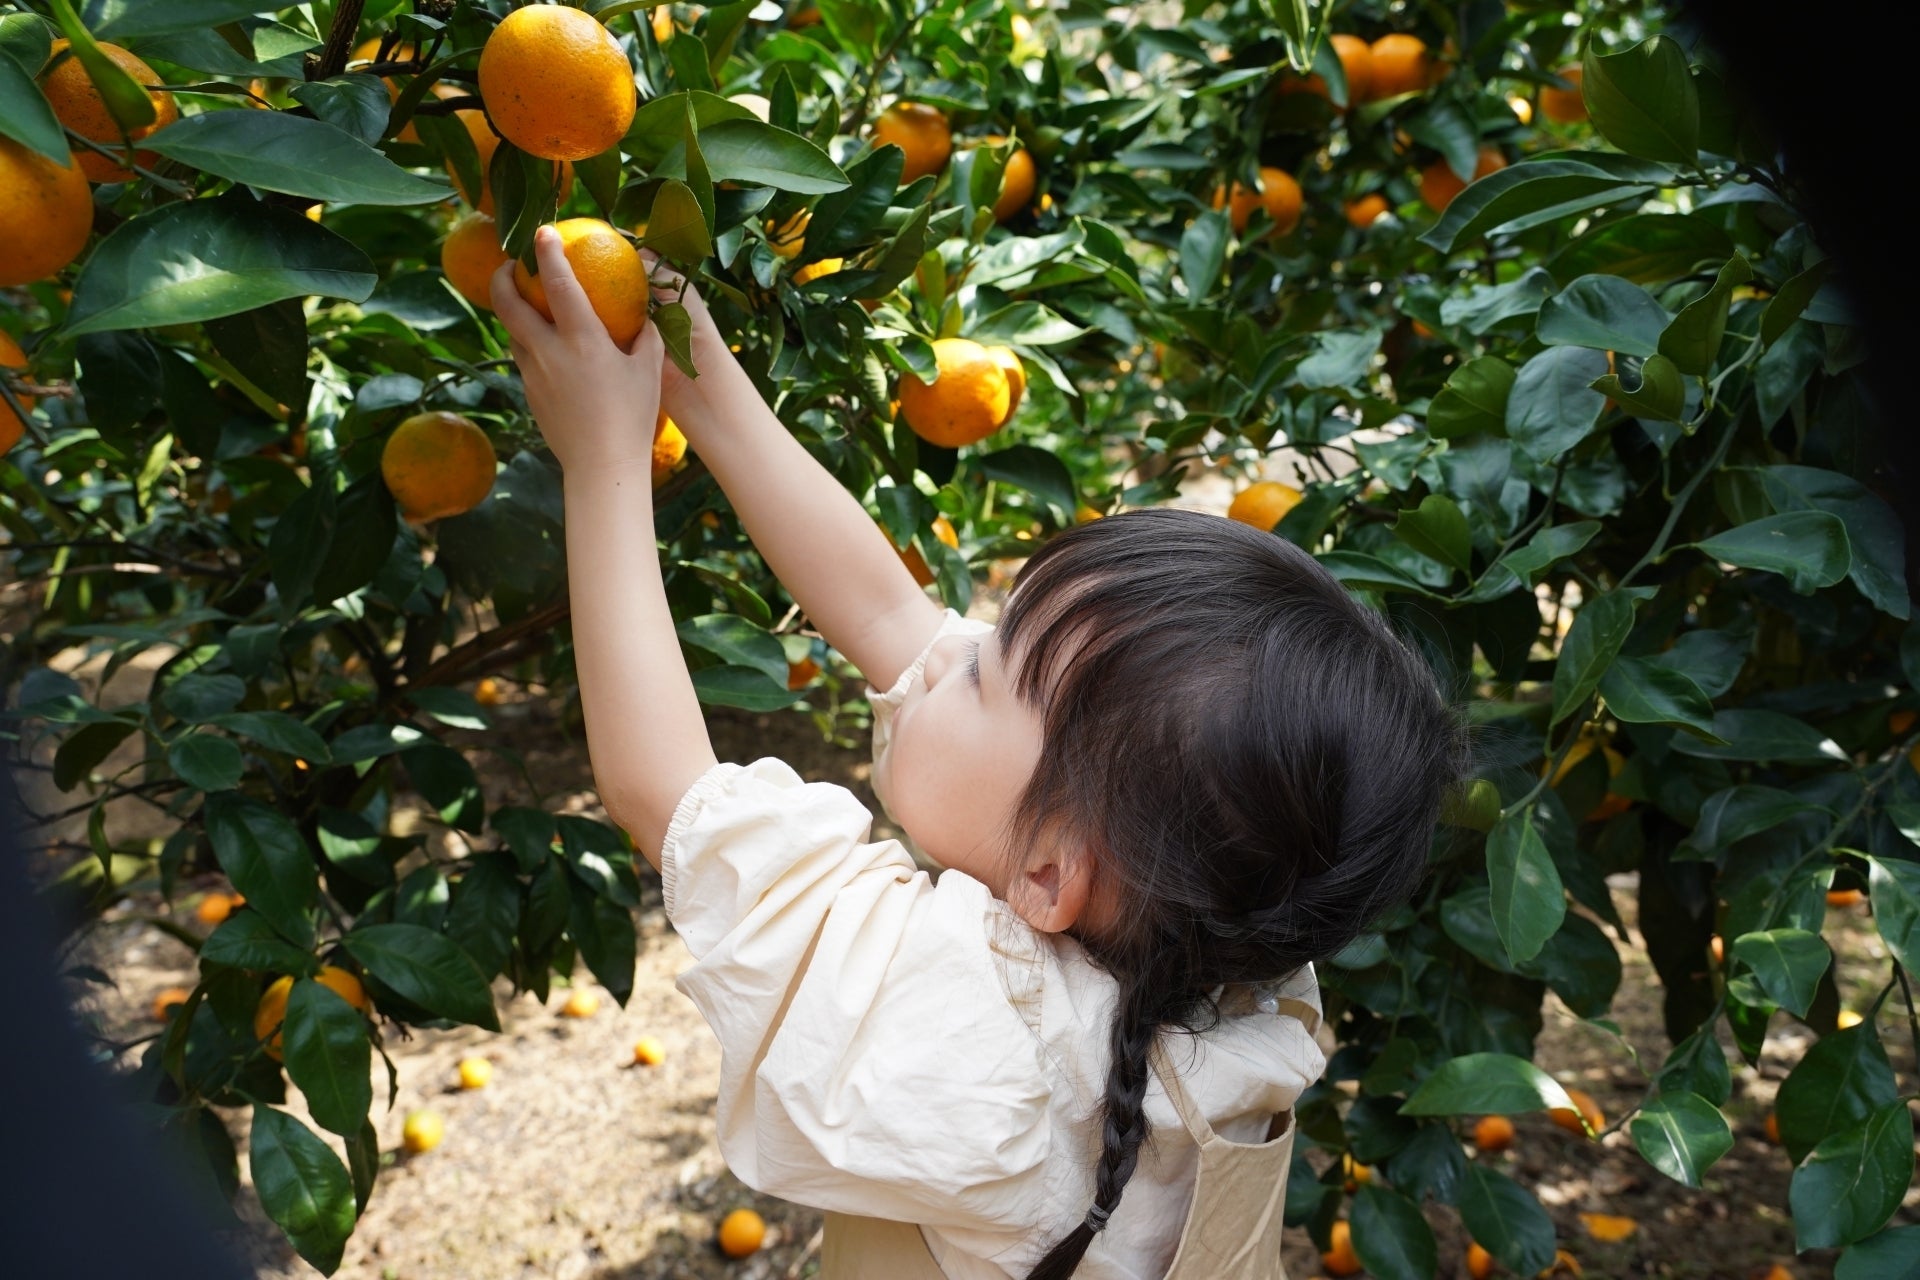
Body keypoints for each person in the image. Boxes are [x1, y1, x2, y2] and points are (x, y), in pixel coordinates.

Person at [488, 228, 1463, 1280]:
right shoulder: (1220, 932)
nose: (946, 647)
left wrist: (601, 459)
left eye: (984, 670)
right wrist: (699, 379)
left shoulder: (990, 1051)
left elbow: (664, 794)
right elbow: (884, 610)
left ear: (1048, 874)